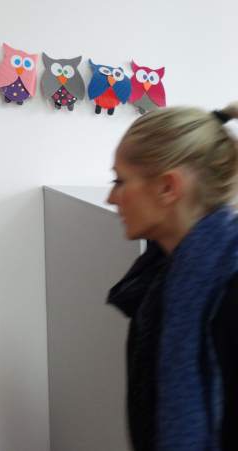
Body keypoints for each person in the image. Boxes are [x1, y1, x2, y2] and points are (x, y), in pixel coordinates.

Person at [106, 102, 238, 451]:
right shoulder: (166, 272)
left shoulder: (229, 291)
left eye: (120, 181)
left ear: (168, 187)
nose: (111, 197)